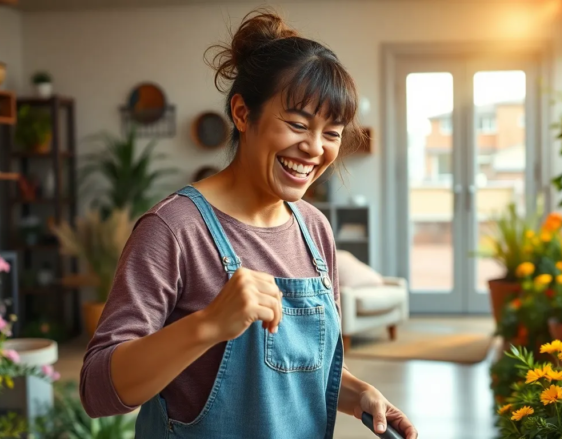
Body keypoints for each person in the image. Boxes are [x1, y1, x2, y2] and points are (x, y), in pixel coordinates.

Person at [79, 8, 418, 439]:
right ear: (242, 113)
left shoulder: (314, 229)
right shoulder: (174, 228)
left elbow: (290, 375)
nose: (314, 148)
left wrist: (356, 392)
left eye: (332, 132)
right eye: (297, 124)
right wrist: (208, 324)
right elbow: (97, 390)